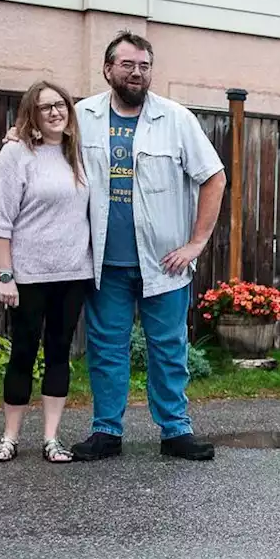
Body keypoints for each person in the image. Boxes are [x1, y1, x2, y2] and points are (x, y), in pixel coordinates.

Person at [68, 30, 228, 462]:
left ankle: (176, 431)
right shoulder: (82, 116)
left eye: (144, 66)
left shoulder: (177, 119)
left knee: (169, 348)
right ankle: (106, 431)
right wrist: (15, 137)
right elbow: (44, 145)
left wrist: (197, 243)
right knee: (106, 350)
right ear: (108, 69)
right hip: (106, 262)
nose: (137, 73)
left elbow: (214, 177)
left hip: (165, 262)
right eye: (127, 65)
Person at [0, 80, 93, 463]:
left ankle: (51, 439)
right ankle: (10, 439)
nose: (54, 112)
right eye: (45, 107)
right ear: (32, 113)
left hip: (73, 274)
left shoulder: (78, 154)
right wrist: (5, 275)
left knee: (60, 352)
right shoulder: (14, 156)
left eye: (60, 105)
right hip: (28, 277)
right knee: (23, 353)